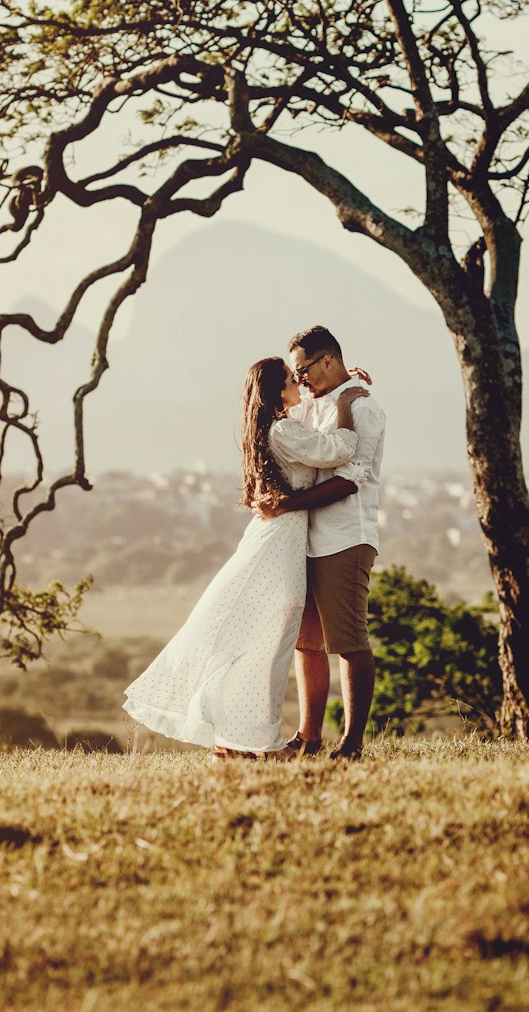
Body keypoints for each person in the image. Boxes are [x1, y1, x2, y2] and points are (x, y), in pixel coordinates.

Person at [122, 357, 369, 758]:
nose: (300, 383)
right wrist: (347, 403)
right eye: (292, 379)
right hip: (278, 545)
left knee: (270, 640)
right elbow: (339, 448)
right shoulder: (285, 430)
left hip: (283, 539)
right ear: (277, 392)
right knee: (272, 639)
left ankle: (243, 739)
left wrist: (342, 384)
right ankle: (256, 741)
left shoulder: (280, 426)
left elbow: (307, 409)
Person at [257, 326, 386, 762]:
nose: (301, 380)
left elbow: (351, 480)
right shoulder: (312, 404)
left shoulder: (362, 407)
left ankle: (351, 743)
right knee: (307, 642)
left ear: (327, 361)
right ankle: (308, 737)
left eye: (304, 370)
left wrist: (289, 504)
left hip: (346, 538)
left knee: (348, 641)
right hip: (307, 541)